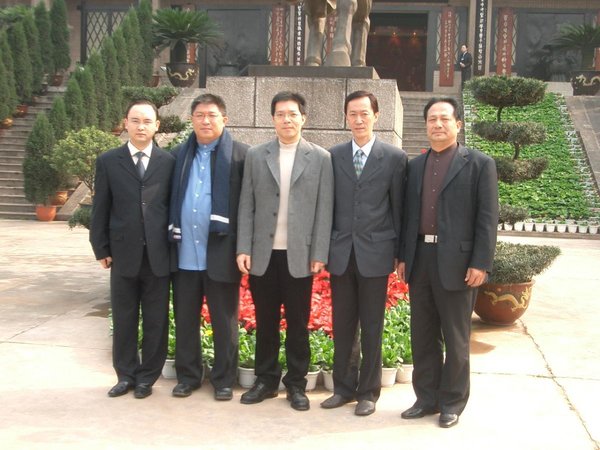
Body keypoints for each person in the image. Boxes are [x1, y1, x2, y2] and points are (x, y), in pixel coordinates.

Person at [397, 97, 498, 428]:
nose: (437, 124)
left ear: (458, 124)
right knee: (423, 335)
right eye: (432, 119)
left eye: (444, 119)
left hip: (459, 262)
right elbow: (408, 216)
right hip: (421, 259)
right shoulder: (414, 166)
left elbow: (487, 218)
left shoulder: (479, 164)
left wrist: (480, 262)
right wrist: (404, 256)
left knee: (456, 338)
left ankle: (452, 402)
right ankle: (426, 398)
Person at [236, 91, 333, 411]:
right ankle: (265, 381)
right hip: (264, 254)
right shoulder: (256, 155)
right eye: (280, 114)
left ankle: (296, 385)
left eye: (292, 114)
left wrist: (319, 252)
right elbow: (246, 204)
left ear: (303, 118)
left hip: (299, 256)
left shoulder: (320, 158)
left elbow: (324, 209)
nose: (286, 119)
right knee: (265, 322)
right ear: (273, 119)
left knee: (297, 323)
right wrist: (243, 247)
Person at [320, 90, 407, 416]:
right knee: (343, 325)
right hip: (341, 252)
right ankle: (343, 388)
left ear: (376, 116)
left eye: (364, 113)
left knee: (372, 326)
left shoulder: (394, 157)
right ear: (346, 117)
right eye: (353, 114)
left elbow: (399, 209)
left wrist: (399, 254)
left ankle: (368, 392)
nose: (358, 119)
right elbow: (327, 206)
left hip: (376, 252)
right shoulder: (334, 156)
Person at [90, 100, 175, 399]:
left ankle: (147, 378)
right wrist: (100, 247)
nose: (141, 126)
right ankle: (125, 375)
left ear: (157, 126)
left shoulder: (168, 162)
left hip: (158, 255)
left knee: (156, 320)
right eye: (135, 120)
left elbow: (172, 207)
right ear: (125, 123)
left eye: (147, 121)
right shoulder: (108, 161)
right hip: (122, 253)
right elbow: (101, 207)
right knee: (124, 318)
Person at [168, 94, 249, 400]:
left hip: (221, 254)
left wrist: (244, 248)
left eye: (212, 115)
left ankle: (224, 380)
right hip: (185, 254)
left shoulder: (241, 156)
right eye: (199, 115)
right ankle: (188, 377)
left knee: (224, 321)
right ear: (191, 119)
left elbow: (248, 207)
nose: (205, 121)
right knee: (185, 320)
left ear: (224, 120)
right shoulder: (177, 156)